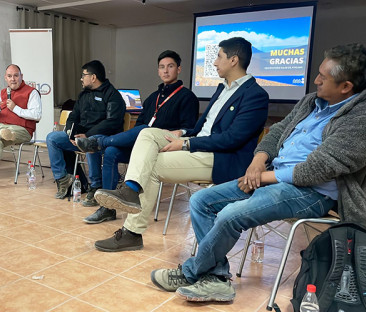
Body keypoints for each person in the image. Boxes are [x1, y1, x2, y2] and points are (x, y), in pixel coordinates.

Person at [150, 43, 366, 303]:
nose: (316, 80)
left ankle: (190, 272)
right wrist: (259, 160)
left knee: (231, 214)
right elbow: (277, 131)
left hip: (313, 192)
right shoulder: (312, 101)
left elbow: (319, 168)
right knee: (200, 201)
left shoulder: (362, 121)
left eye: (324, 77)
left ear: (346, 87)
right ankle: (218, 278)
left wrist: (261, 177)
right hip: (271, 176)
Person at [93, 37, 270, 252]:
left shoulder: (256, 95)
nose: (214, 62)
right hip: (198, 143)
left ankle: (132, 232)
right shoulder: (222, 88)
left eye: (219, 57)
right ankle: (130, 189)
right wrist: (184, 138)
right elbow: (200, 128)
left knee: (151, 166)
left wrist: (186, 145)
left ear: (233, 60)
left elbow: (232, 139)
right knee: (147, 134)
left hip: (221, 157)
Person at [76, 50, 199, 223]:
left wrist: (180, 132)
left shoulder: (187, 97)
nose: (165, 71)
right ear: (158, 71)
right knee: (111, 151)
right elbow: (140, 123)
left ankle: (98, 142)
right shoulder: (153, 98)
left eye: (170, 66)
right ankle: (108, 209)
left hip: (165, 146)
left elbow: (190, 128)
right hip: (143, 145)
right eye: (162, 67)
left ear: (179, 69)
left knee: (144, 130)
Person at [46, 60, 126, 200]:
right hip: (80, 136)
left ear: (93, 77)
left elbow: (112, 122)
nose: (81, 78)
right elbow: (73, 117)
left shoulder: (113, 95)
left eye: (84, 75)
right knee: (52, 138)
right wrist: (70, 134)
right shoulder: (84, 95)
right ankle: (62, 179)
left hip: (102, 139)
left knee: (89, 142)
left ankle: (95, 186)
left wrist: (87, 135)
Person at [0, 64, 42, 190]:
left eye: (16, 75)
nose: (13, 79)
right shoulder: (2, 93)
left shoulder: (32, 92)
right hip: (1, 126)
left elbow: (37, 115)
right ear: (5, 78)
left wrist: (16, 108)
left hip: (21, 130)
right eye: (9, 76)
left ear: (21, 76)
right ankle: (0, 131)